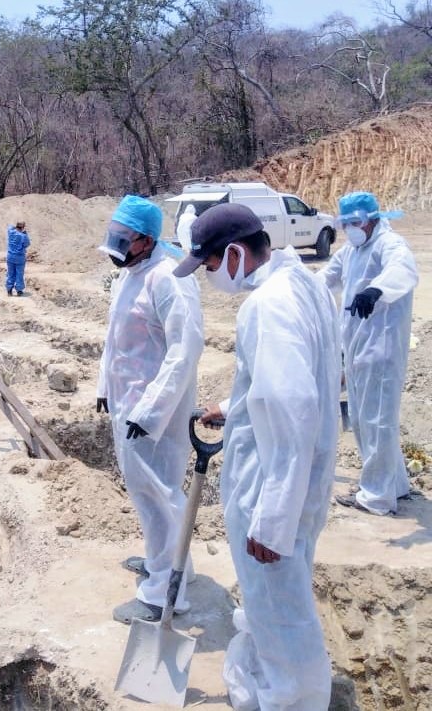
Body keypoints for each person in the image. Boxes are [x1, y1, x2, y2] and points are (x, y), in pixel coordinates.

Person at [175, 202, 340, 710]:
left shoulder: (266, 307)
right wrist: (231, 406)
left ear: (232, 254)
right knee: (270, 607)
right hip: (297, 486)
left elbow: (291, 410)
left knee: (283, 617)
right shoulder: (302, 285)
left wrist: (273, 521)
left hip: (272, 493)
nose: (208, 278)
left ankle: (294, 701)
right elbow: (288, 379)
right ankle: (262, 688)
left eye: (207, 267)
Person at [95, 195, 204, 623]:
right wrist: (106, 385)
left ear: (146, 239)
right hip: (128, 402)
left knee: (158, 491)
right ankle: (174, 563)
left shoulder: (169, 278)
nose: (115, 246)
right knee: (146, 490)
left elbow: (186, 349)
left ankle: (164, 591)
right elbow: (115, 337)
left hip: (154, 411)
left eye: (123, 239)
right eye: (113, 236)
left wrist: (150, 411)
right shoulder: (130, 273)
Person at [319, 191, 418, 516]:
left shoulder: (390, 245)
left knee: (378, 422)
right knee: (365, 421)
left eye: (355, 222)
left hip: (383, 351)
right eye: (345, 224)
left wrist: (377, 290)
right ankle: (396, 484)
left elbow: (402, 271)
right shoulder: (350, 251)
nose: (351, 229)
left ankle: (376, 496)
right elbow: (325, 278)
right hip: (357, 350)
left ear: (375, 217)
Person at [5, 221, 30, 296]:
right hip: (19, 258)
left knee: (10, 274)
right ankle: (19, 290)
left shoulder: (11, 232)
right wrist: (25, 233)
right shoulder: (23, 236)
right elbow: (27, 244)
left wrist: (16, 227)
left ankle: (9, 290)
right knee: (19, 274)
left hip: (10, 257)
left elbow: (10, 226)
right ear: (23, 227)